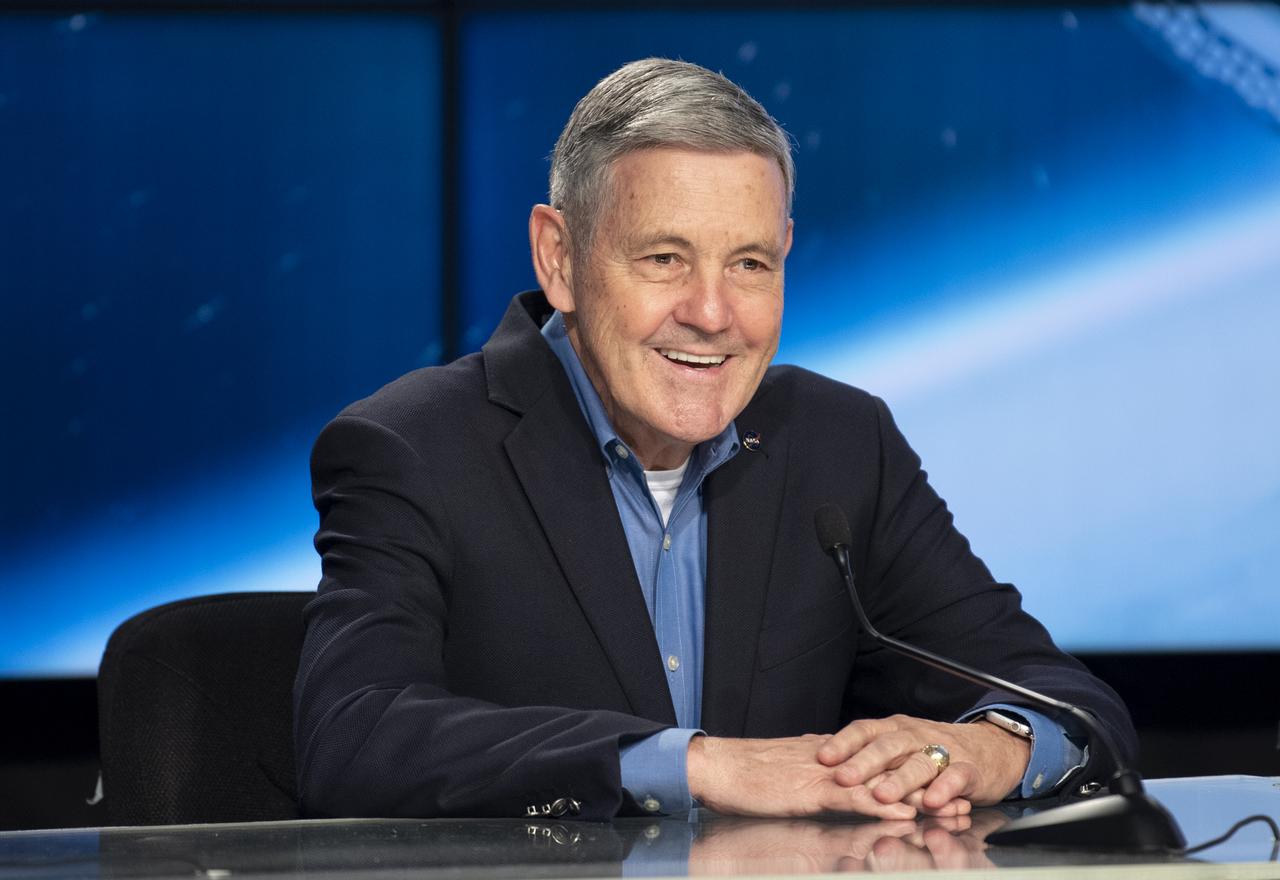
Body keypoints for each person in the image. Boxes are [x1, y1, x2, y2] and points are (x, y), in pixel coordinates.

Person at [294, 58, 1135, 822]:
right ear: (559, 257)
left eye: (750, 264)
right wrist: (698, 766)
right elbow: (355, 737)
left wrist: (986, 750)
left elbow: (1068, 704)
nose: (711, 313)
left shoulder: (842, 443)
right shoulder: (413, 447)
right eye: (665, 258)